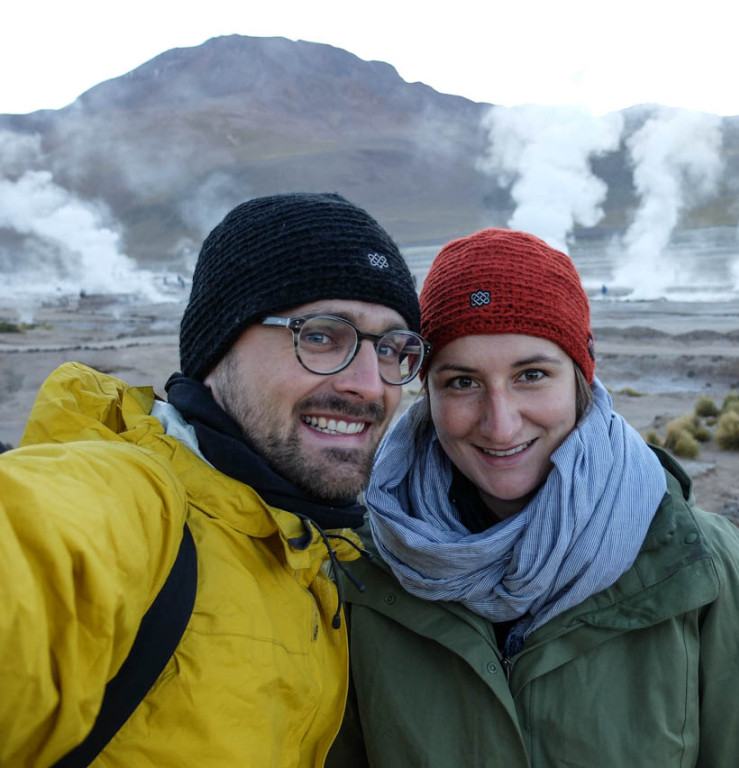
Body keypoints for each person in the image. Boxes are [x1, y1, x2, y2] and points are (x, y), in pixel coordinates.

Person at [330, 229, 739, 767]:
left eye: (531, 375)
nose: (501, 423)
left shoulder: (703, 563)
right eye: (462, 382)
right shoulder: (360, 571)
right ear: (428, 393)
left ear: (583, 377)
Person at [0, 193, 426, 766]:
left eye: (392, 349)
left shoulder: (325, 553)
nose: (370, 385)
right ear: (218, 350)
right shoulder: (133, 503)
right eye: (321, 336)